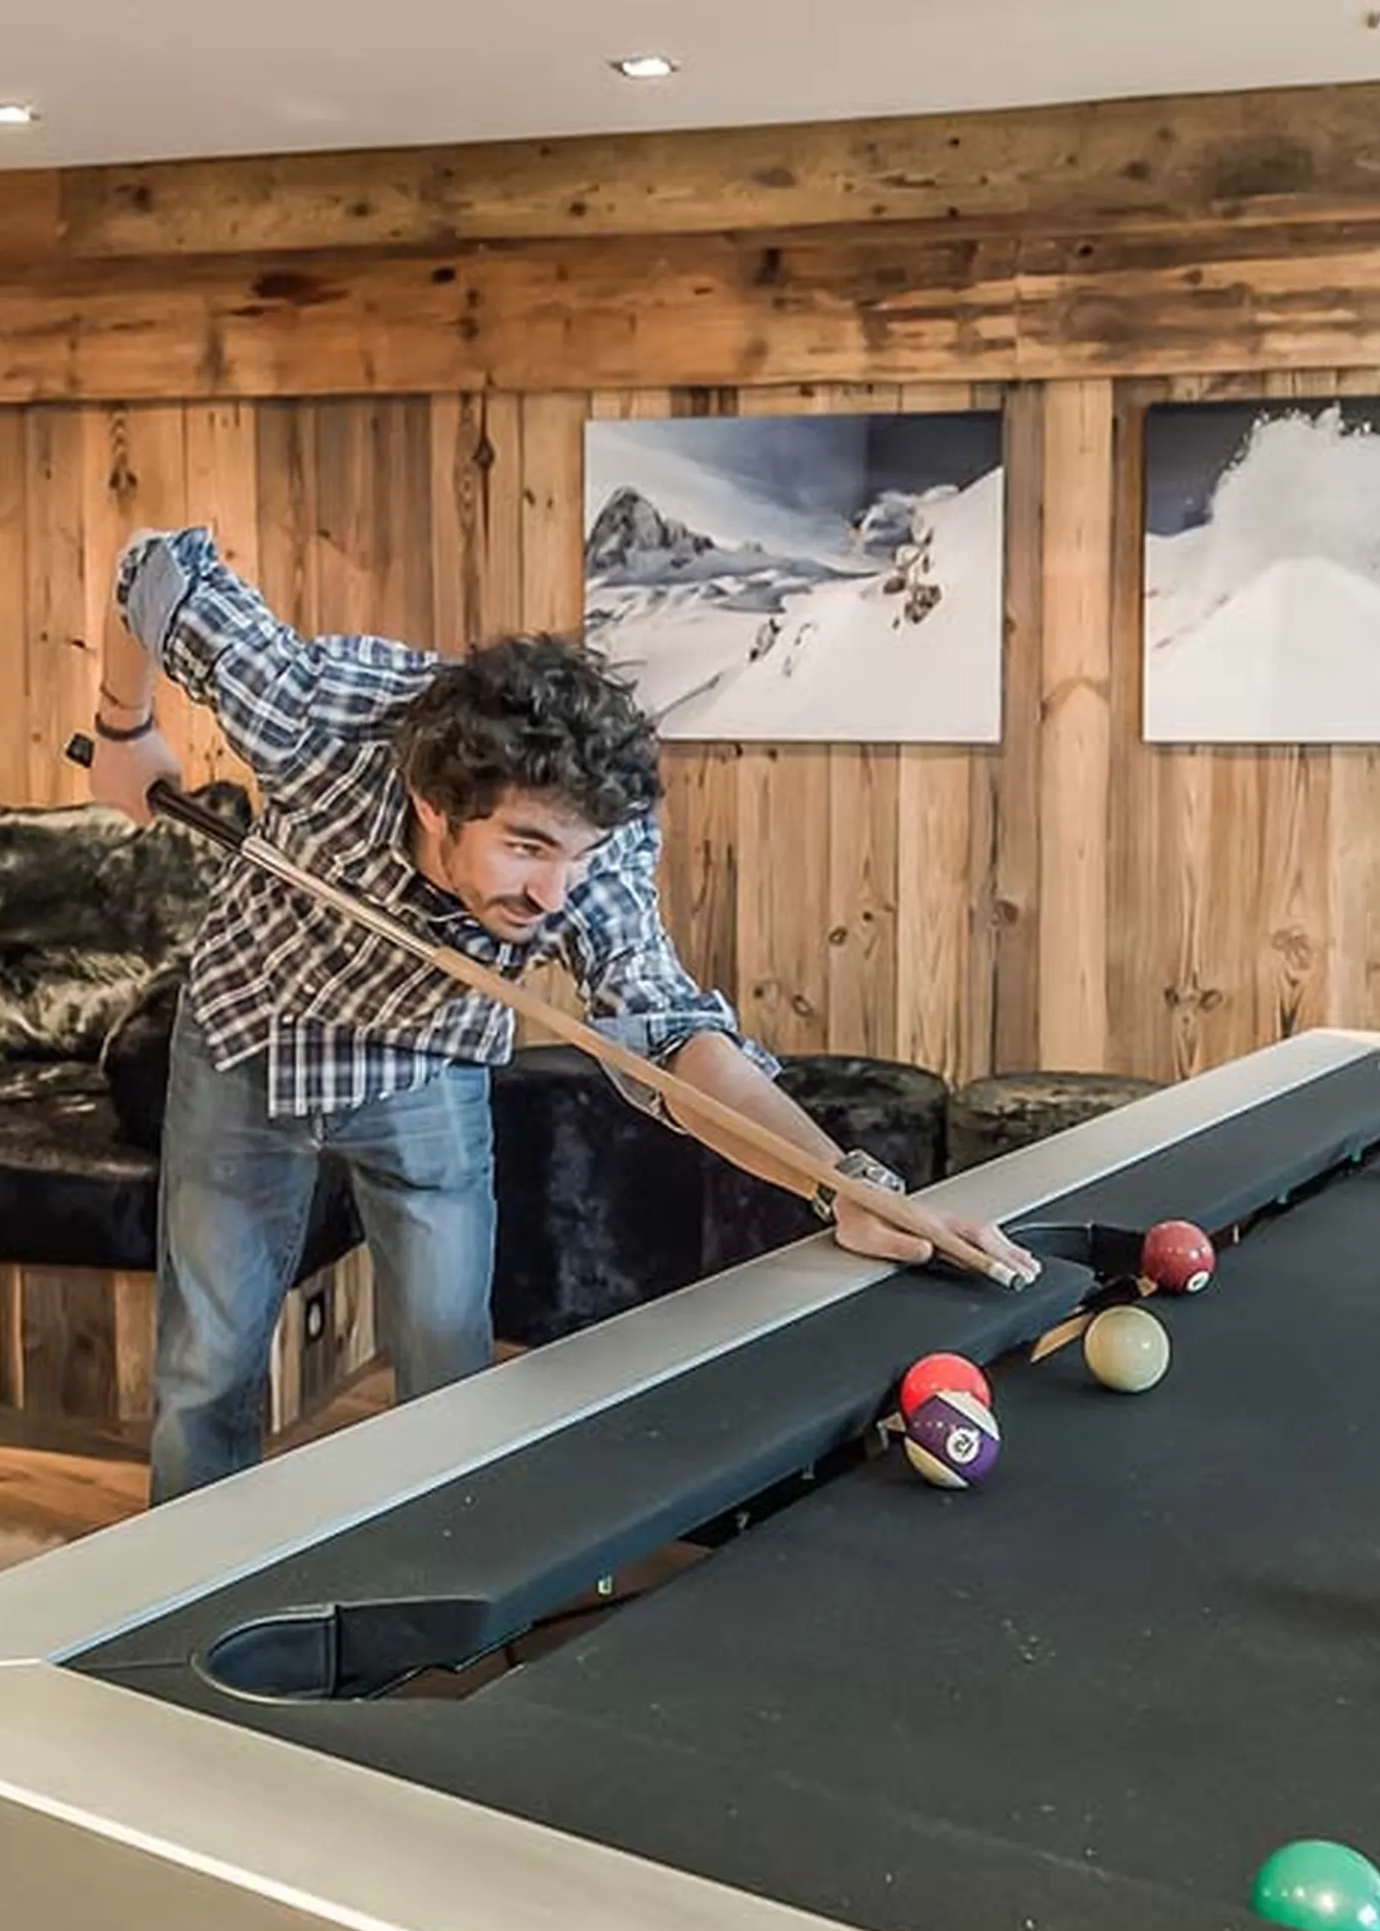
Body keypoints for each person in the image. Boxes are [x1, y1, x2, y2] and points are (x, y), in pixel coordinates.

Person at [86, 526, 1031, 1502]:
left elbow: (676, 1041)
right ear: (431, 800)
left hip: (427, 1057)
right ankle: (174, 1631)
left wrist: (844, 1186)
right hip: (253, 1034)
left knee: (449, 1374)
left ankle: (435, 1619)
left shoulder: (597, 856)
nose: (553, 894)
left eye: (573, 858)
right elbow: (157, 568)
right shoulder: (316, 714)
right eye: (526, 849)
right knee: (205, 1375)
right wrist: (124, 728)